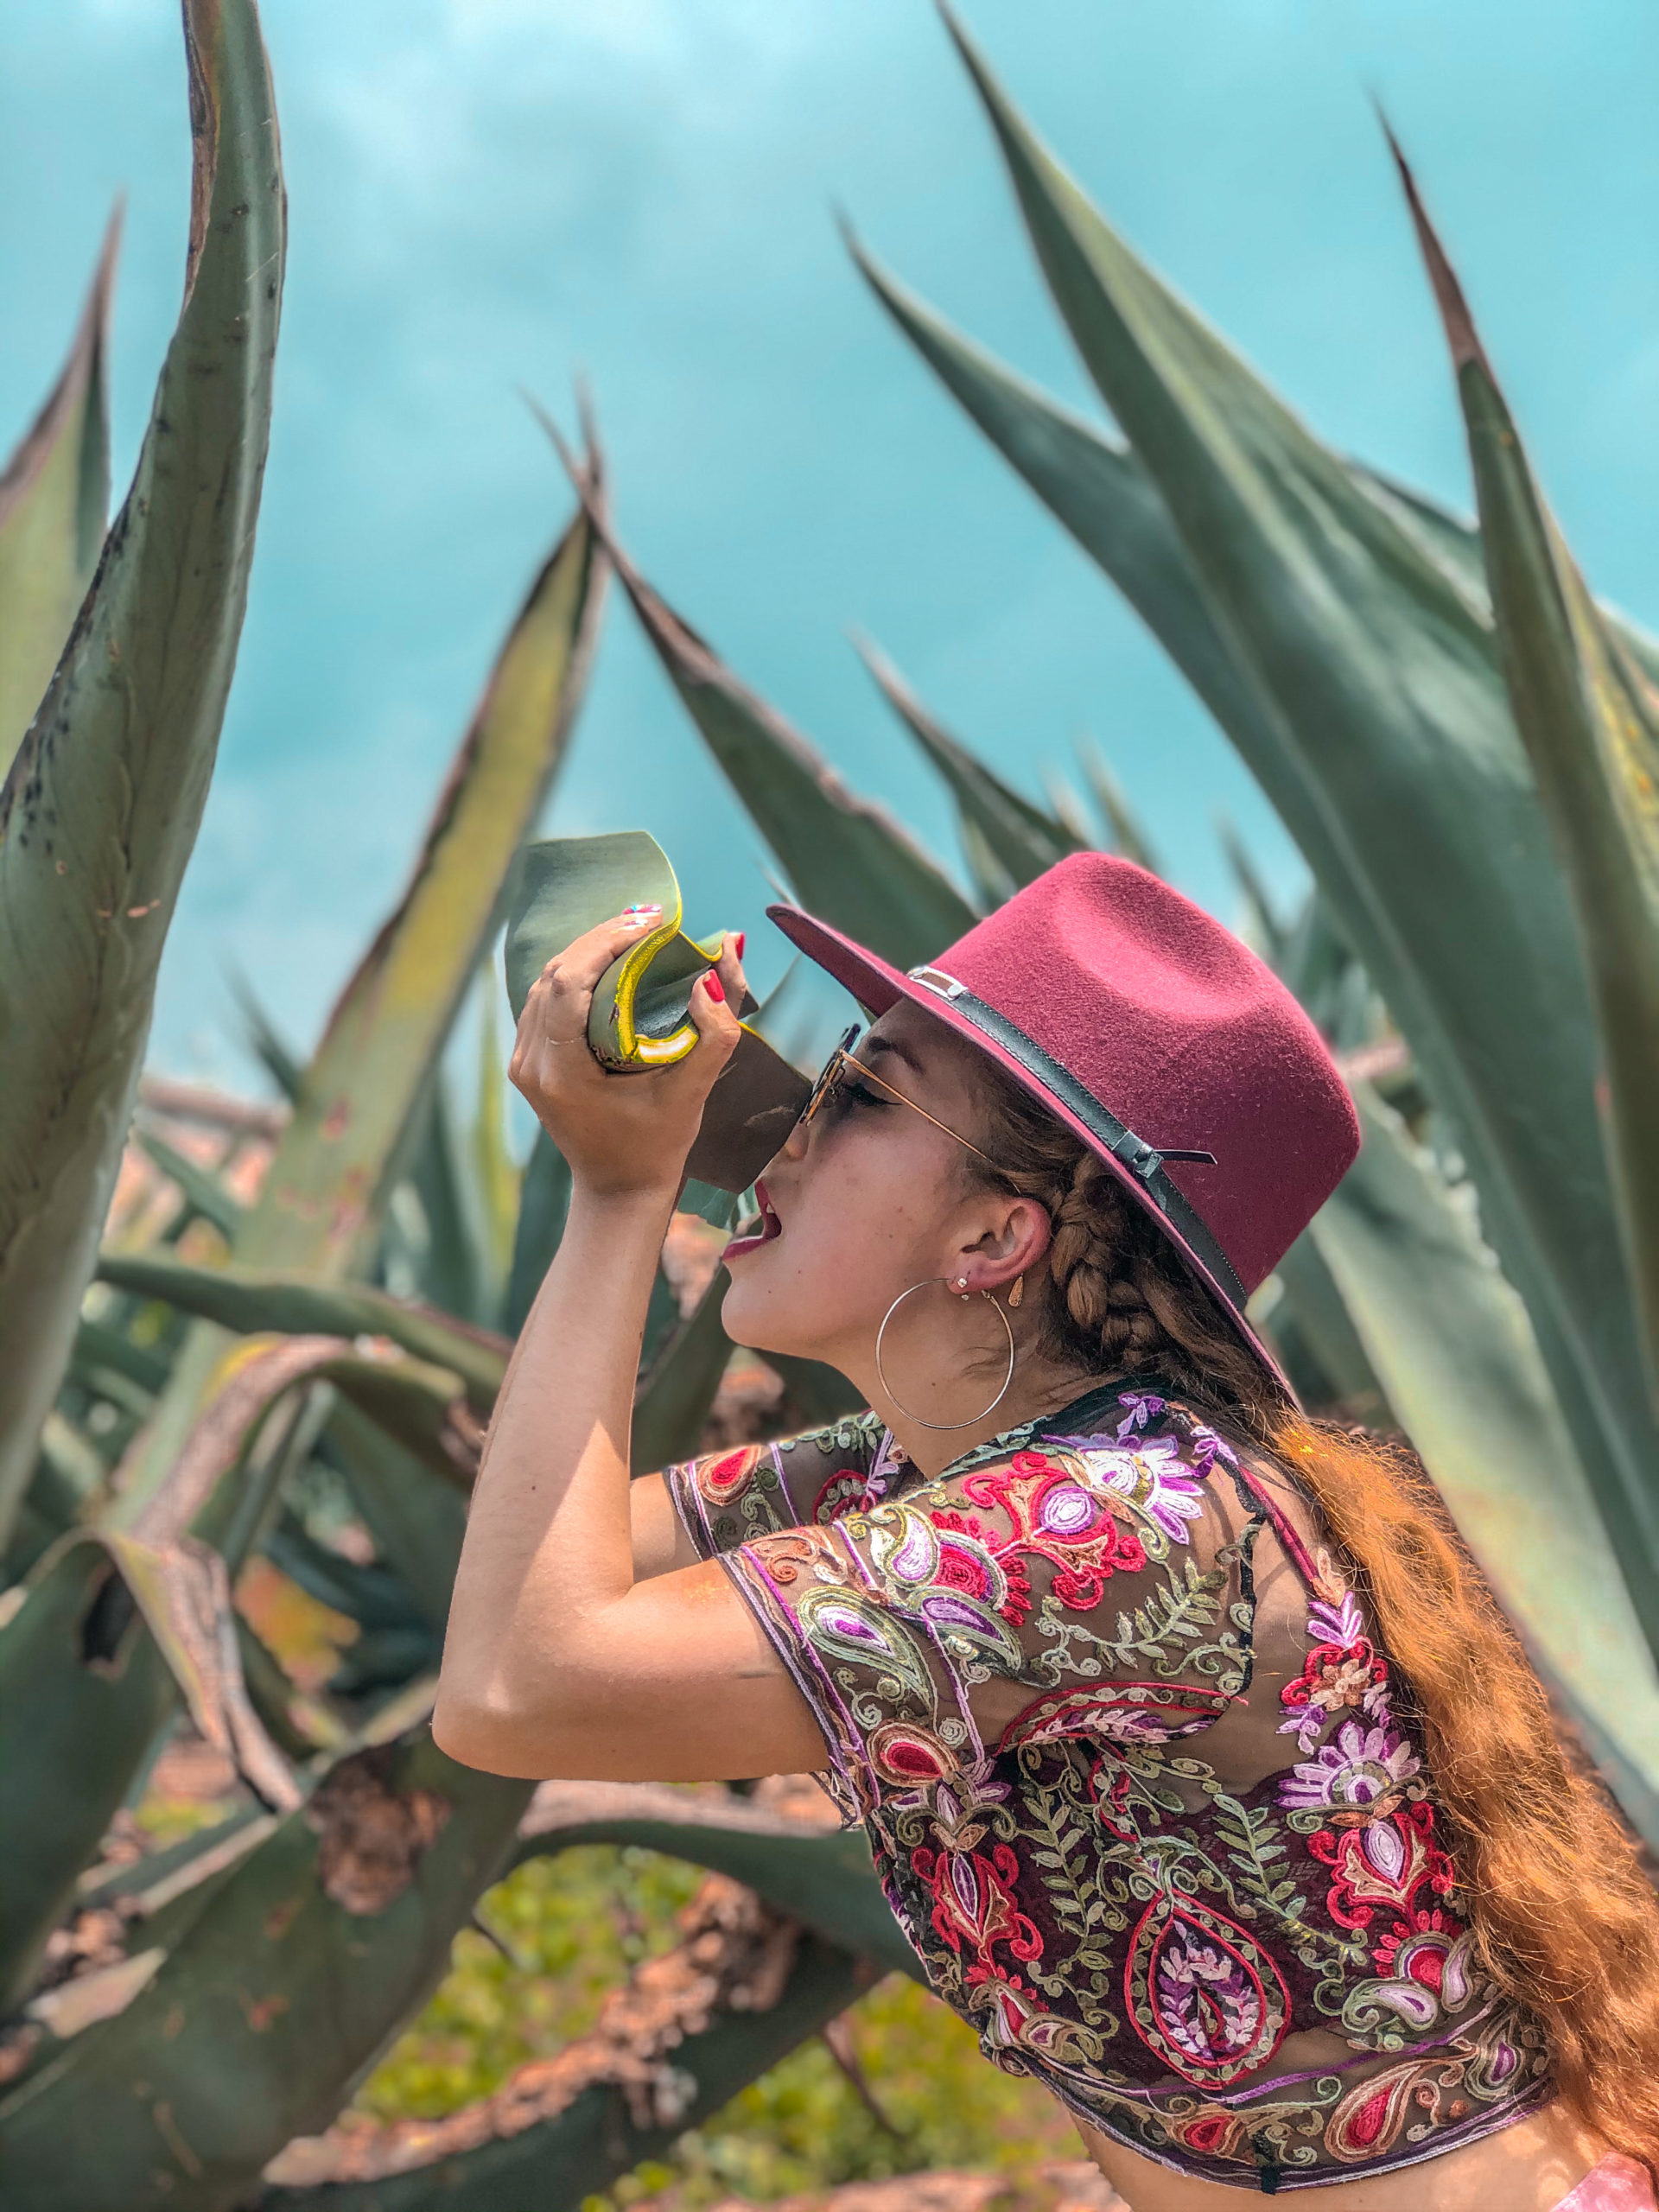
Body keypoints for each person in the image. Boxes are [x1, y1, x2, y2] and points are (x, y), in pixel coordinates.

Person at [435, 854, 1659, 2209]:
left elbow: (516, 1683)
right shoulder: (919, 1476)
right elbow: (529, 1574)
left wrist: (613, 1199)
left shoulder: (1122, 1526)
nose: (781, 1128)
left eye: (856, 1096)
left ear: (994, 1234)